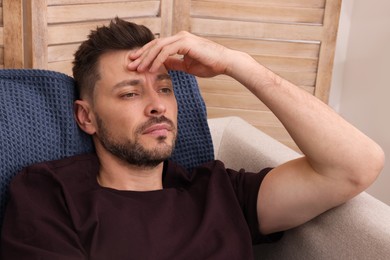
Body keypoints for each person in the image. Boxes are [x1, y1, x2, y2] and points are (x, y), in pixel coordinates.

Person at [0, 17, 384, 259]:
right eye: (131, 93)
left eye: (165, 89)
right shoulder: (48, 193)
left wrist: (238, 64)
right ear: (87, 117)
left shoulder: (219, 191)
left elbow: (355, 166)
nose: (157, 106)